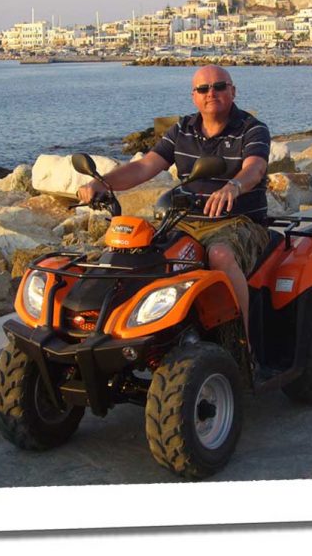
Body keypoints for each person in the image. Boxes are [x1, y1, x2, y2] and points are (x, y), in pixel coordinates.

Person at [76, 65, 271, 350]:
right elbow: (144, 166)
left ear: (233, 91)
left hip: (238, 221)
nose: (211, 93)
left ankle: (243, 343)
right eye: (203, 89)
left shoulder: (252, 129)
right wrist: (102, 184)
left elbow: (255, 169)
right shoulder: (182, 129)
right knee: (136, 252)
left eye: (219, 86)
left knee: (219, 255)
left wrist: (234, 186)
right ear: (194, 96)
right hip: (184, 219)